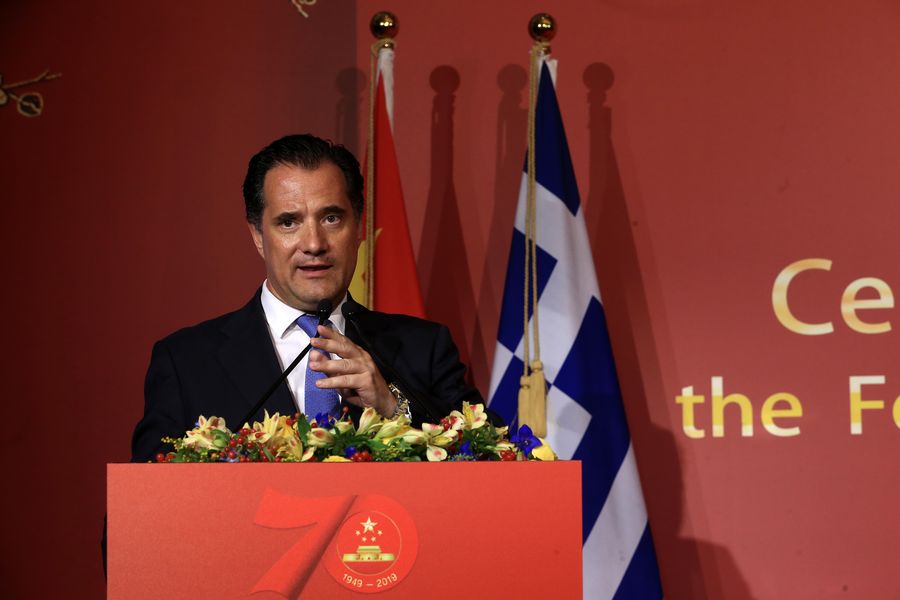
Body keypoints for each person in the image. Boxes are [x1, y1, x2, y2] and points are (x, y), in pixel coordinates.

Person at [131, 134, 483, 462]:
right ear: (257, 235)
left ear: (358, 227)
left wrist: (393, 408)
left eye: (331, 218)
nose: (314, 244)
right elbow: (147, 496)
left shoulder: (424, 348)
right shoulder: (187, 362)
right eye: (289, 222)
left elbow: (489, 464)